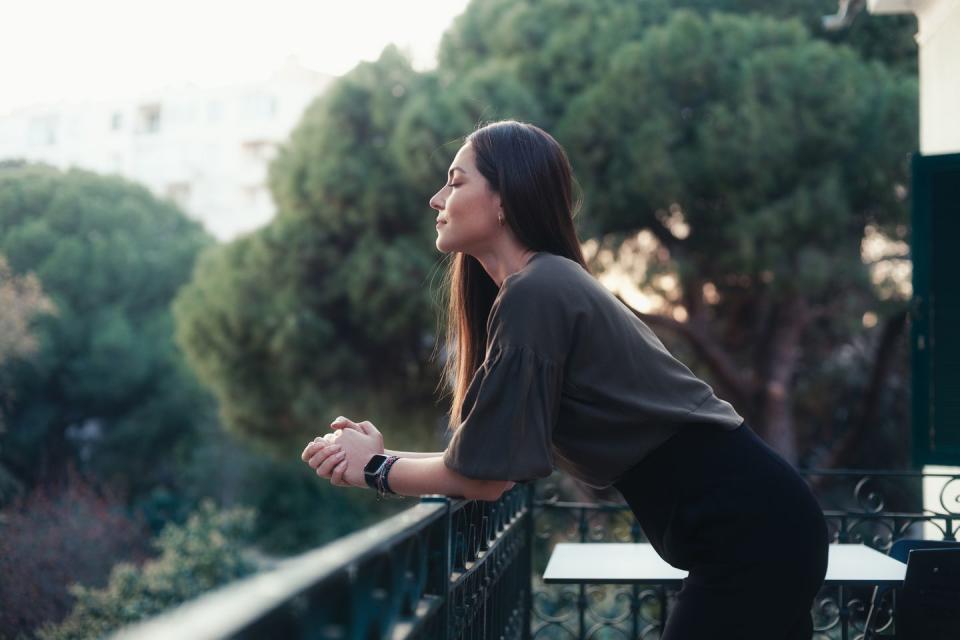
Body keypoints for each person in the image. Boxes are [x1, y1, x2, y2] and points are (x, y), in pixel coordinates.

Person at [300, 120, 828, 639]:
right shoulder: (541, 285)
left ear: (506, 198)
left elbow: (484, 478)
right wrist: (379, 458)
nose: (436, 199)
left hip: (752, 537)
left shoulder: (537, 290)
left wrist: (375, 469)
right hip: (762, 527)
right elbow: (488, 465)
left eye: (456, 181)